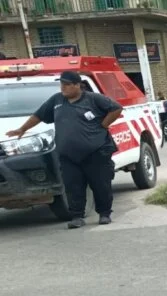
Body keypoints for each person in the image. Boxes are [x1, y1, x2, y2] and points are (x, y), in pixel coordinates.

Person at [5, 71, 123, 229]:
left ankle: (104, 214)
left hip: (96, 152)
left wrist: (103, 125)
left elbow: (116, 108)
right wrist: (22, 129)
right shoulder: (56, 100)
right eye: (62, 84)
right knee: (73, 186)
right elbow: (38, 116)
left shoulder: (93, 99)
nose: (63, 88)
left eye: (67, 85)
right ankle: (76, 216)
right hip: (68, 155)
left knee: (101, 184)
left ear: (77, 85)